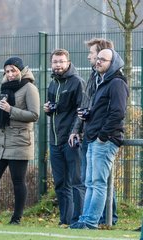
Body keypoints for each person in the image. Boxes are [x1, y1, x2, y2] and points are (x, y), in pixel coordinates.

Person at [70, 49, 129, 229]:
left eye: (103, 60)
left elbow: (118, 112)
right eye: (98, 59)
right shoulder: (100, 81)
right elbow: (103, 111)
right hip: (93, 137)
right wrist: (88, 115)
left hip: (104, 140)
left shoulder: (117, 83)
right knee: (89, 182)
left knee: (98, 183)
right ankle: (84, 219)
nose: (98, 62)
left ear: (113, 63)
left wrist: (103, 135)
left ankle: (90, 221)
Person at [0, 57, 40, 225]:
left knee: (17, 181)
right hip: (1, 141)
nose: (10, 74)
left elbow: (34, 115)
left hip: (20, 141)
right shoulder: (5, 87)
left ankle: (16, 218)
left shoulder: (29, 88)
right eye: (7, 71)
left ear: (21, 71)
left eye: (13, 70)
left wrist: (11, 110)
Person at [43, 49, 85, 226]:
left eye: (61, 61)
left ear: (68, 62)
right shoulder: (52, 84)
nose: (58, 65)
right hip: (54, 141)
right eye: (55, 62)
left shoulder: (77, 82)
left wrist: (74, 133)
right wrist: (48, 109)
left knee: (77, 182)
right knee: (60, 183)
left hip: (72, 141)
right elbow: (54, 110)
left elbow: (81, 111)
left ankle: (79, 220)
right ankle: (65, 221)